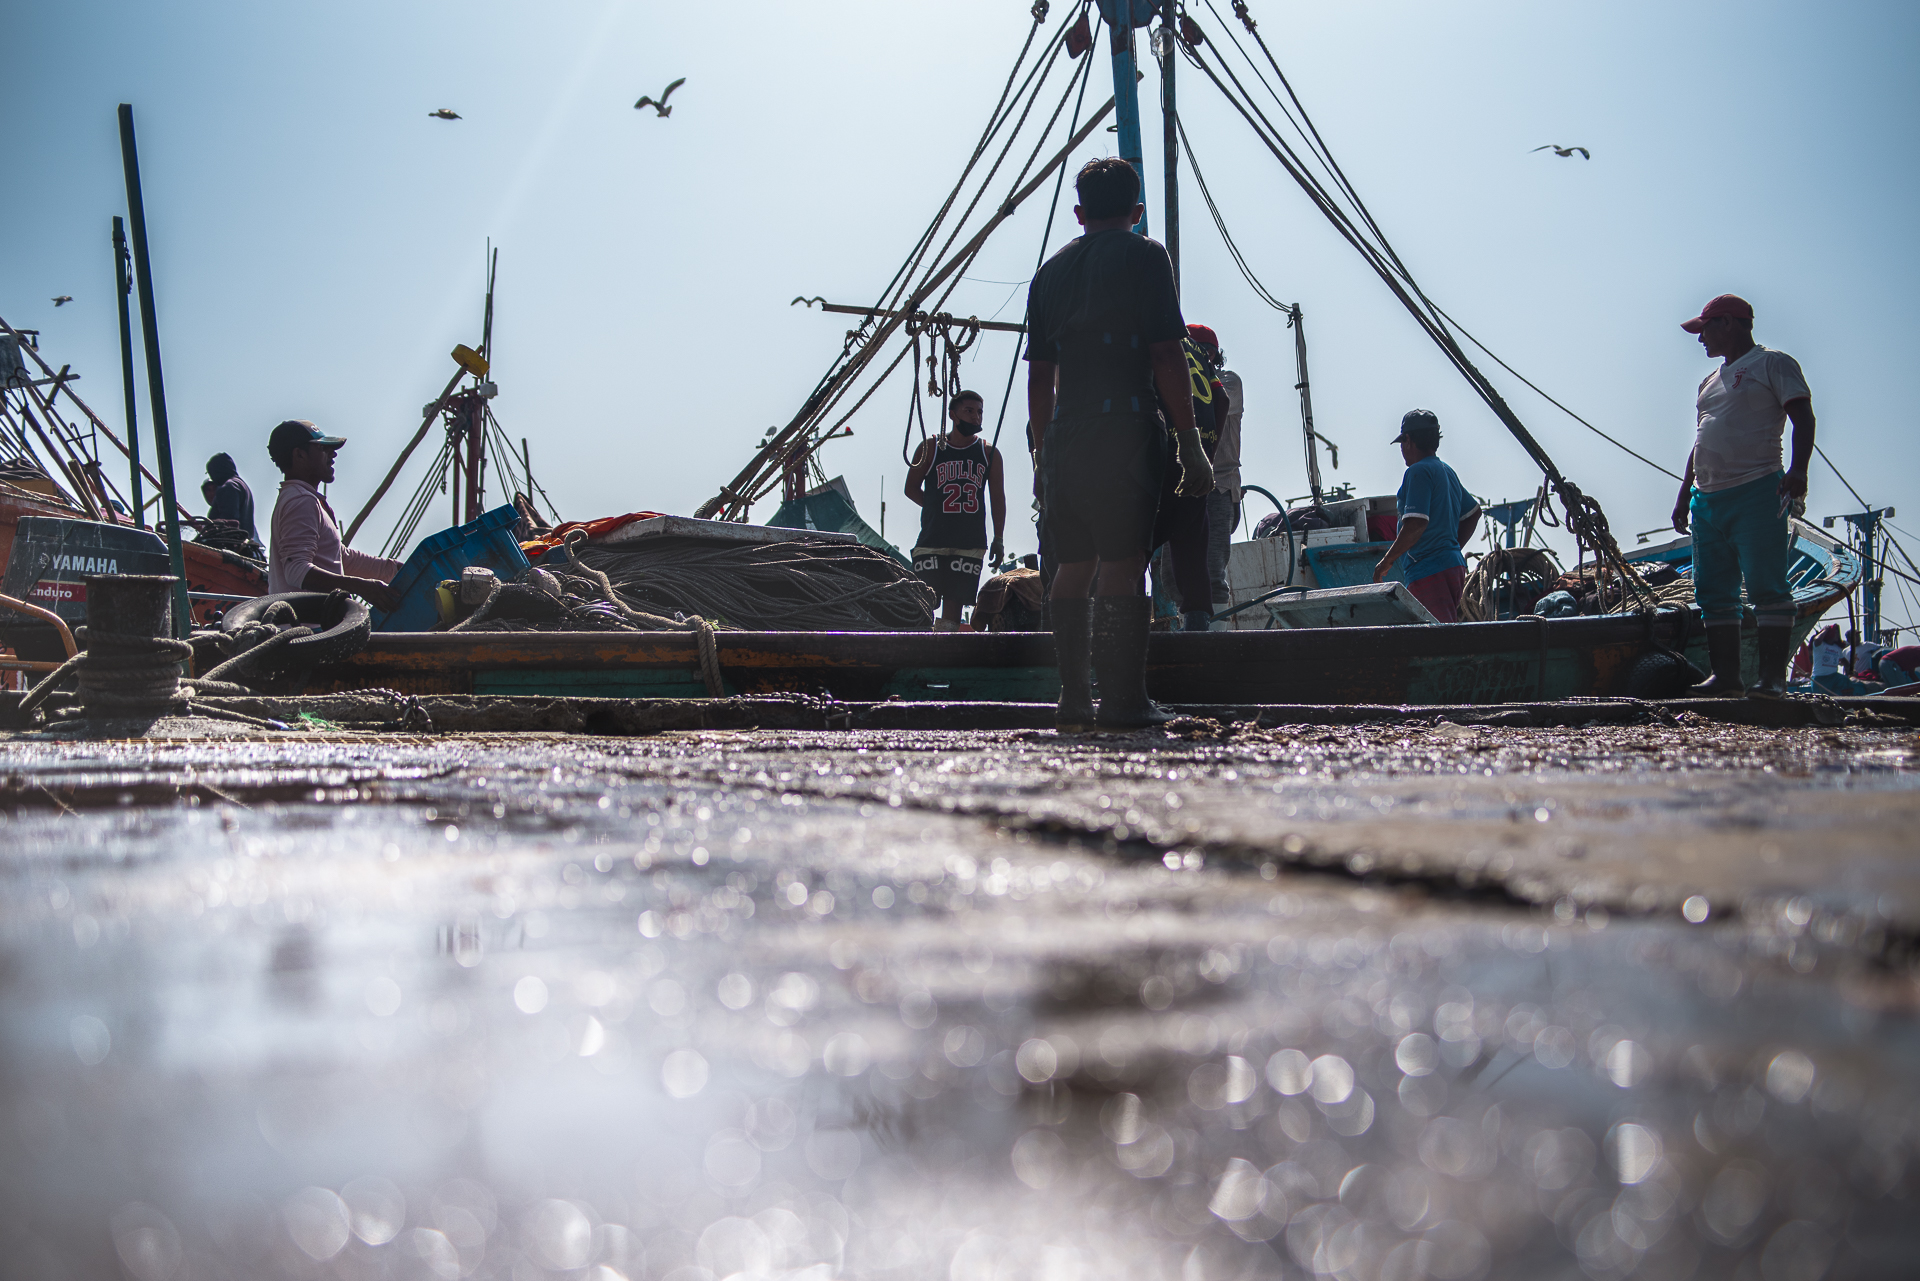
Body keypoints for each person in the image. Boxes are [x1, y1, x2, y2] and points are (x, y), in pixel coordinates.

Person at [1026, 157, 1212, 730]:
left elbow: (1041, 377)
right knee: (1124, 563)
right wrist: (1190, 443)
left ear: (1079, 213)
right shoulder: (1146, 255)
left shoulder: (1049, 273)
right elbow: (1164, 354)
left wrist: (1041, 456)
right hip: (1124, 429)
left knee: (1074, 564)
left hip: (1065, 436)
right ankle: (1126, 702)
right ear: (1137, 211)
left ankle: (1074, 699)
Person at [1670, 294, 1815, 699]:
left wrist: (1798, 470)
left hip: (1756, 489)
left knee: (1767, 587)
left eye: (1705, 330)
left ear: (1729, 323)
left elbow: (1802, 416)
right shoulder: (1708, 382)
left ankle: (1772, 680)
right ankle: (1727, 677)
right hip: (1708, 499)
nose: (1701, 340)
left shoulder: (1773, 364)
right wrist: (1684, 493)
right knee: (1714, 591)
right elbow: (1700, 439)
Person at [266, 419, 403, 612]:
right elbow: (296, 571)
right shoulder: (301, 501)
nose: (333, 454)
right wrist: (361, 587)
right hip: (308, 632)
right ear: (299, 455)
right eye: (323, 448)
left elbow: (341, 558)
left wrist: (396, 570)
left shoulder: (303, 499)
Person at [905, 390, 1007, 630]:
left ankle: (943, 652)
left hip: (969, 542)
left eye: (980, 412)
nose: (976, 417)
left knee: (954, 604)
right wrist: (934, 508)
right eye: (969, 411)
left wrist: (999, 539)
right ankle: (919, 650)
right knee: (923, 600)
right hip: (932, 538)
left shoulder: (989, 453)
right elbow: (910, 489)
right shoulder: (931, 447)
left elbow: (997, 499)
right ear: (952, 414)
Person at [1151, 327, 1228, 630]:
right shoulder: (1197, 352)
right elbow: (1221, 399)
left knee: (1130, 550)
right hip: (1197, 457)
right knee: (1193, 553)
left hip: (1161, 452)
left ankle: (1123, 642)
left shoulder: (1153, 338)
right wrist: (1205, 453)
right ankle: (1198, 636)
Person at [1371, 410, 1480, 622]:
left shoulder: (1418, 472)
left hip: (1428, 570)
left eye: (1402, 443)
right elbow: (1473, 513)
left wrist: (1386, 561)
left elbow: (1415, 524)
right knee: (1443, 625)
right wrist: (1451, 549)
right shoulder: (1446, 471)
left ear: (1408, 440)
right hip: (1453, 565)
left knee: (1434, 636)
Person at [1193, 326, 1243, 616]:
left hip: (1219, 487)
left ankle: (1212, 640)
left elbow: (1207, 404)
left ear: (1210, 354)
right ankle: (1189, 630)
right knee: (1171, 576)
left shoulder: (1228, 383)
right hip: (1183, 488)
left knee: (1212, 572)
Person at [200, 453, 257, 542]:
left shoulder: (228, 487)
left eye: (211, 472)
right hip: (243, 546)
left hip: (229, 548)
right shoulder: (241, 484)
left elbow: (228, 525)